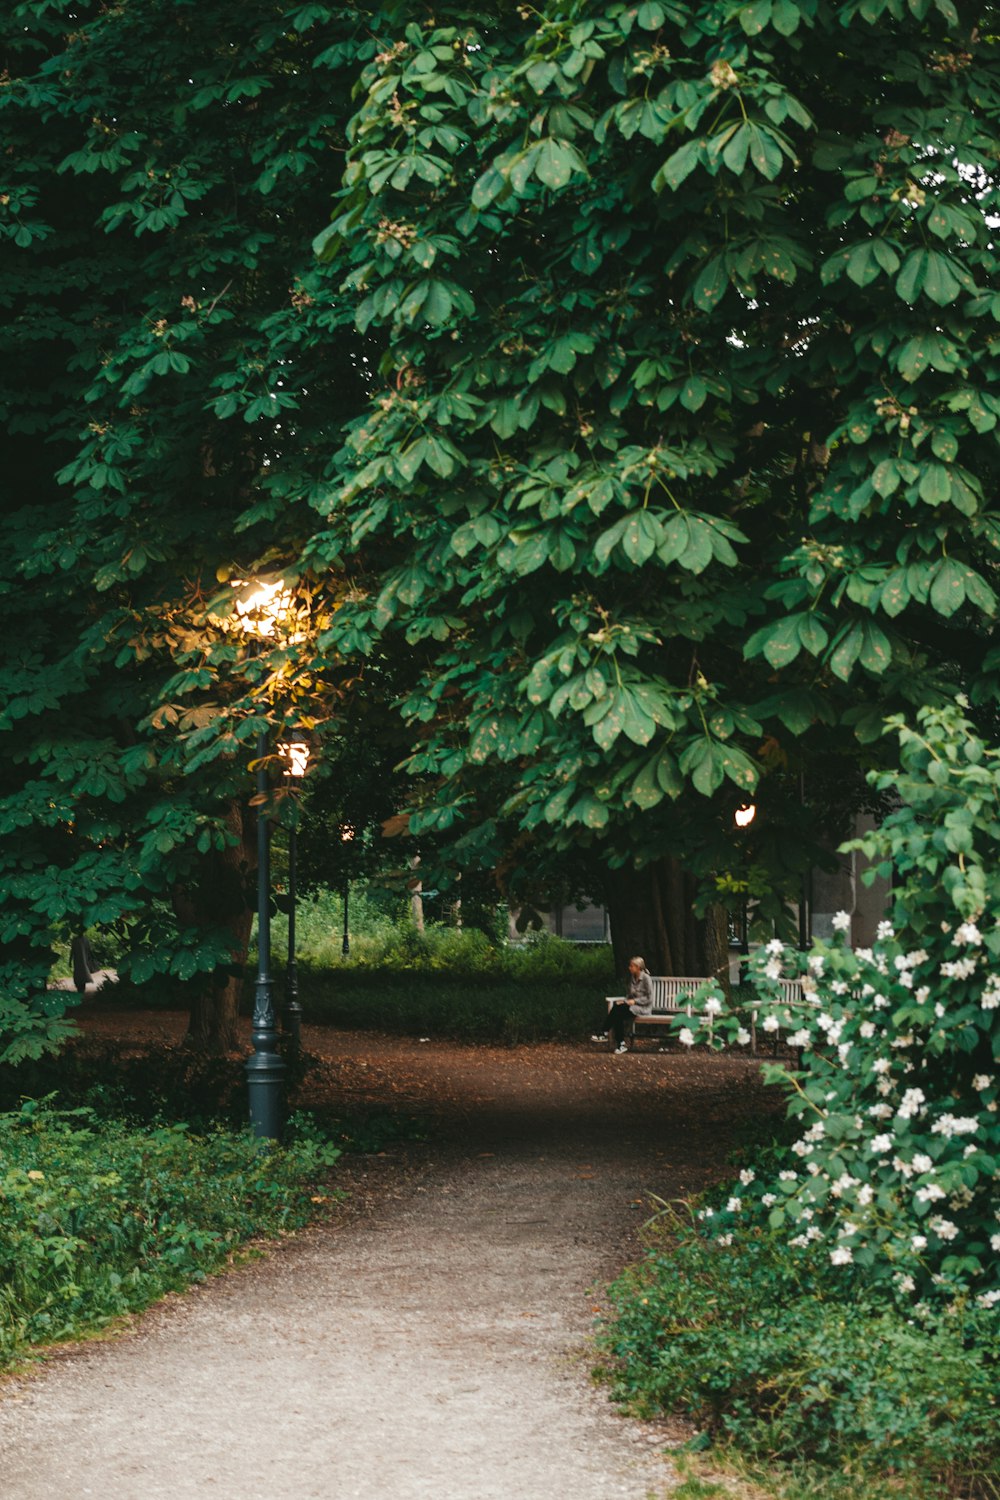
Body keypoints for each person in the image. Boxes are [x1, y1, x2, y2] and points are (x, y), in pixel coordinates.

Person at [592, 957, 653, 1053]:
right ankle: (619, 1044)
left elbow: (649, 998)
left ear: (638, 967)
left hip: (642, 1007)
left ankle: (605, 1033)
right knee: (617, 1011)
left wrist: (635, 1001)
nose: (629, 968)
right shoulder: (632, 978)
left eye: (631, 966)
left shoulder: (646, 978)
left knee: (617, 1012)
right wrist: (624, 1001)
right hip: (632, 1006)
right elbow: (629, 995)